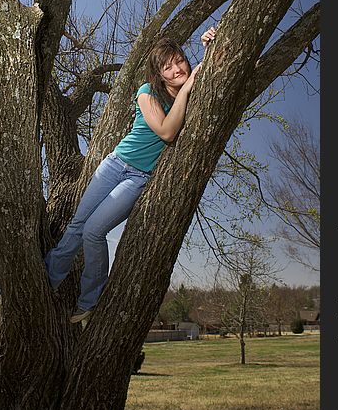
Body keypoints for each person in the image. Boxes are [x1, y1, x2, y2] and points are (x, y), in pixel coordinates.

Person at [45, 27, 216, 323]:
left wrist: (207, 44)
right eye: (168, 66)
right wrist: (186, 89)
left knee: (94, 231)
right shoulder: (147, 92)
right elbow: (166, 130)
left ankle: (88, 301)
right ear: (159, 74)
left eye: (180, 61)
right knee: (76, 226)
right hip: (115, 165)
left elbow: (211, 73)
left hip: (138, 178)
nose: (177, 69)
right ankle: (47, 282)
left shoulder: (192, 95)